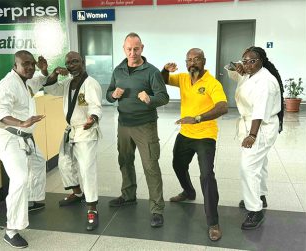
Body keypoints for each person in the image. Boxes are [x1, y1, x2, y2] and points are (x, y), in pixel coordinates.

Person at [161, 48, 228, 241]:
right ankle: (189, 191)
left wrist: (198, 118)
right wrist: (165, 69)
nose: (192, 63)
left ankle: (213, 222)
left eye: (196, 59)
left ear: (204, 61)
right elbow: (164, 79)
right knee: (177, 165)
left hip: (205, 135)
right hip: (185, 133)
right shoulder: (182, 78)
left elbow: (223, 106)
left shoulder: (212, 83)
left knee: (207, 175)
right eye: (189, 60)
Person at [106, 32, 169, 228]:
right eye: (129, 49)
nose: (132, 53)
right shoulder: (118, 70)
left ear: (142, 48)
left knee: (150, 166)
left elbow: (164, 97)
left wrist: (150, 99)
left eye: (136, 49)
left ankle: (157, 209)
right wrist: (113, 95)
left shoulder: (152, 71)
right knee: (124, 161)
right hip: (124, 124)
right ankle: (128, 195)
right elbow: (108, 95)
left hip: (145, 126)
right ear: (124, 49)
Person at [0, 50, 49, 248]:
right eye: (26, 64)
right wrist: (22, 123)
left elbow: (40, 81)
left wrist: (44, 70)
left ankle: (29, 200)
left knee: (39, 162)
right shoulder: (8, 84)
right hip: (8, 138)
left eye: (32, 64)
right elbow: (0, 114)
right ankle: (11, 230)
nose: (30, 67)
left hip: (24, 138)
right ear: (15, 65)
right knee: (20, 178)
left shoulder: (25, 81)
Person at [225, 46, 283, 230]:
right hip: (253, 124)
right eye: (245, 60)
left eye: (252, 61)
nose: (248, 64)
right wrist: (236, 65)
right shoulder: (249, 74)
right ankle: (261, 195)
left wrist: (252, 135)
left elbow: (259, 111)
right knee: (260, 164)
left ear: (261, 61)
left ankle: (255, 210)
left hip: (260, 127)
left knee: (248, 167)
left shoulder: (264, 81)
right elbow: (231, 69)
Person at [43, 51, 102, 231]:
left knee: (86, 168)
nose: (71, 65)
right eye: (68, 63)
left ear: (82, 63)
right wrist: (50, 73)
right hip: (71, 131)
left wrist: (93, 118)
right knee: (64, 163)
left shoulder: (91, 84)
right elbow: (50, 88)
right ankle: (77, 194)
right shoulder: (67, 83)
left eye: (75, 62)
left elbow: (96, 106)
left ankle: (92, 208)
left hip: (86, 130)